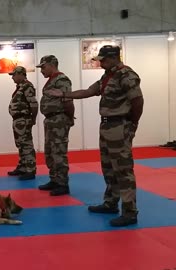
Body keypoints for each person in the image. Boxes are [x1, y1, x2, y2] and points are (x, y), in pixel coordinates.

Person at [45, 45, 144, 227]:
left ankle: (130, 212)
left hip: (119, 125)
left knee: (123, 170)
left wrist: (132, 123)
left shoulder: (126, 75)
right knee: (108, 167)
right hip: (106, 125)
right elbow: (89, 92)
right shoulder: (108, 76)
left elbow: (137, 100)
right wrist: (64, 94)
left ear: (114, 58)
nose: (101, 63)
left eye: (103, 60)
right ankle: (110, 203)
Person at [36, 55, 75, 196]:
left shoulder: (62, 80)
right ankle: (54, 180)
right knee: (50, 152)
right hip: (51, 120)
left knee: (59, 152)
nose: (41, 71)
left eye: (43, 67)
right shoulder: (51, 80)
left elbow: (68, 101)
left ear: (52, 65)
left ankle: (63, 183)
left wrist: (70, 118)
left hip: (59, 120)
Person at [6, 66, 38, 180]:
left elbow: (33, 104)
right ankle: (22, 167)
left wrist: (33, 119)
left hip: (23, 119)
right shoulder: (20, 87)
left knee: (26, 144)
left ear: (20, 74)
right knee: (20, 144)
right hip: (18, 120)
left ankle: (30, 169)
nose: (12, 78)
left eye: (14, 75)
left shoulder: (27, 86)